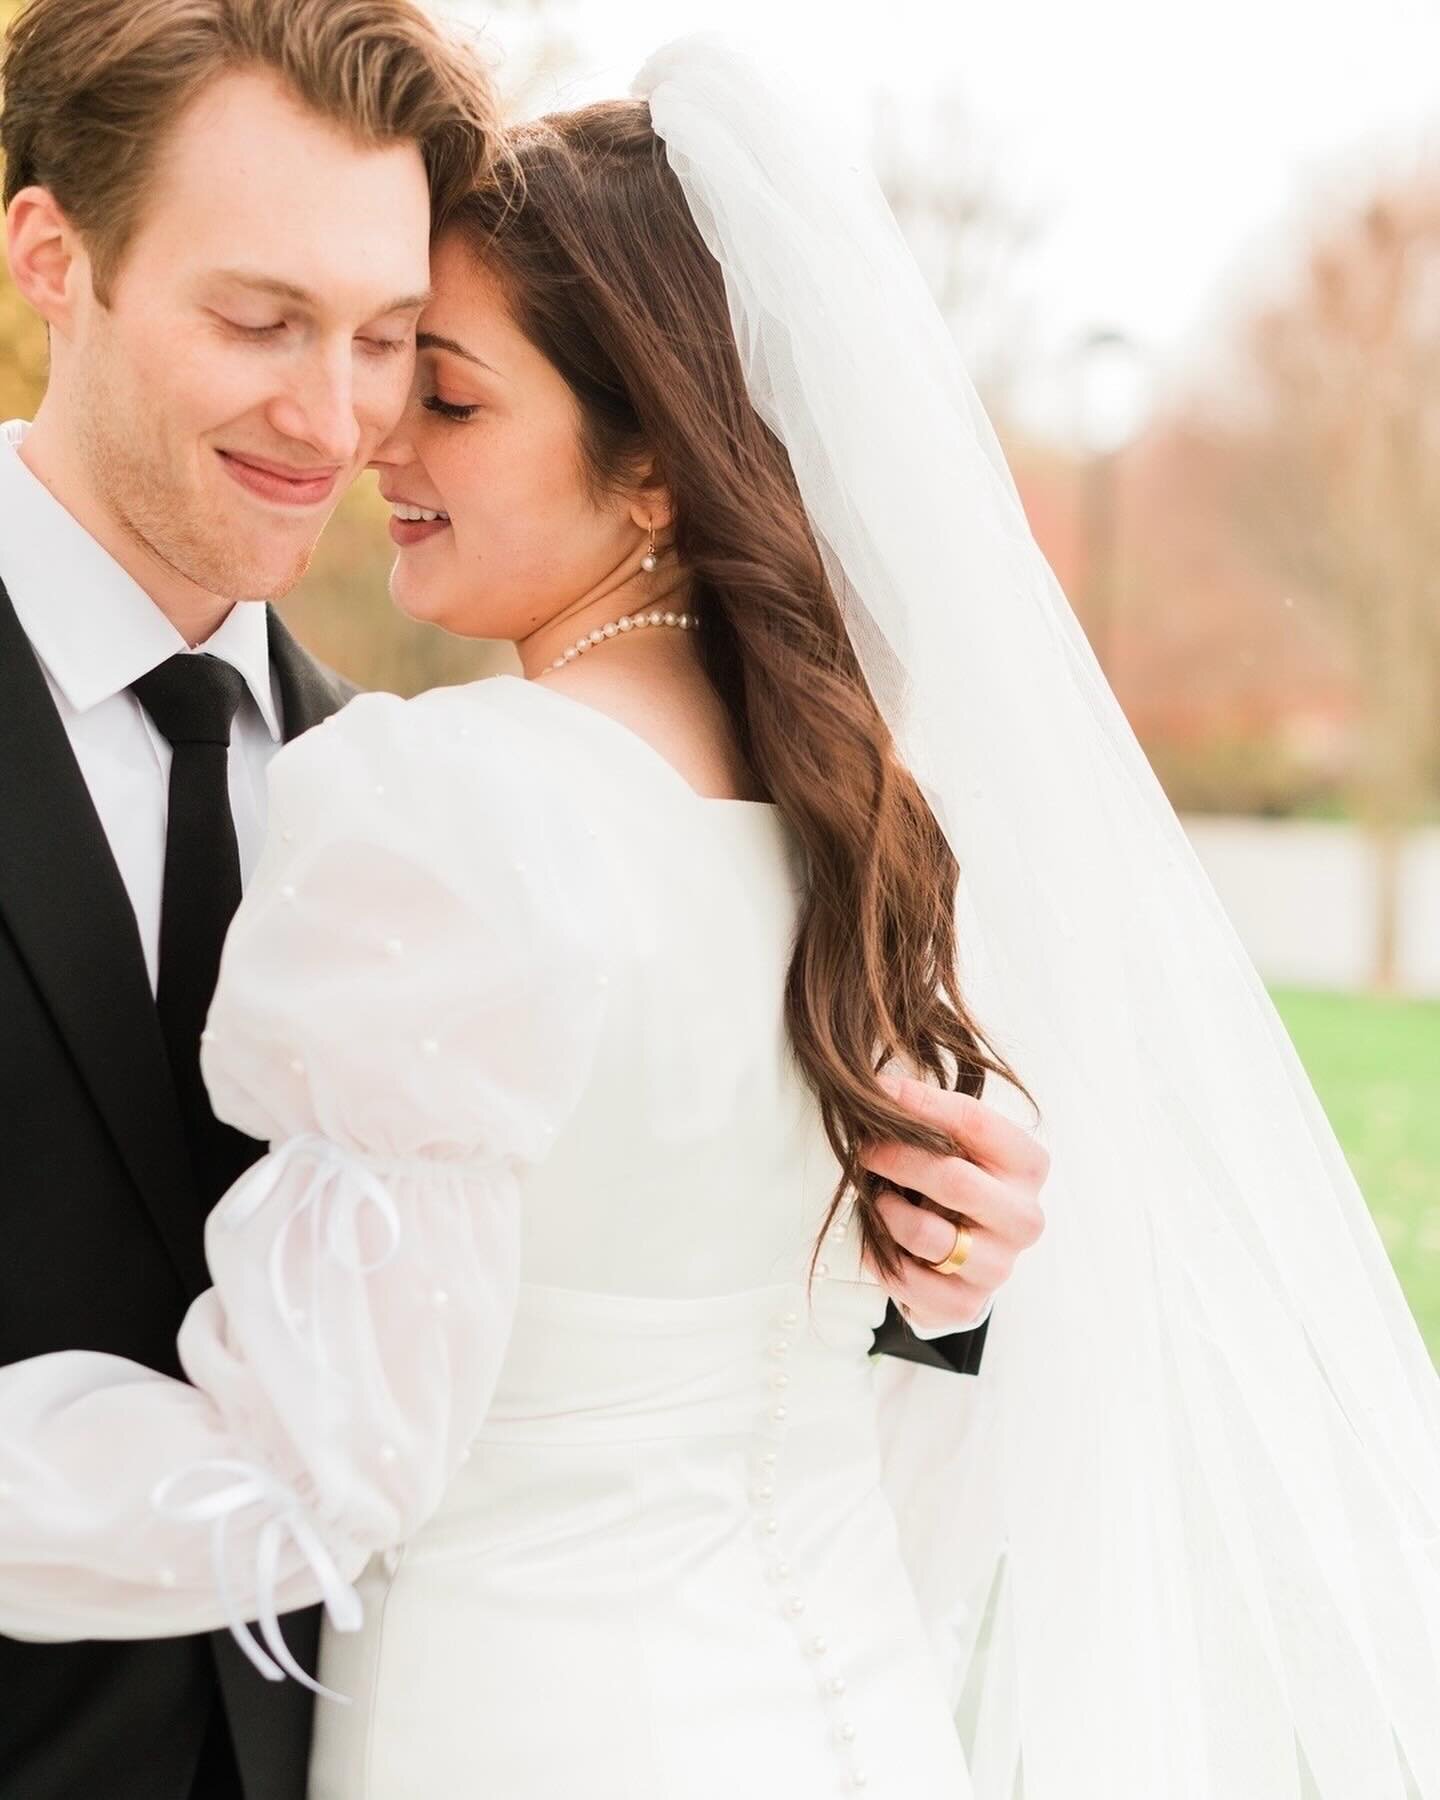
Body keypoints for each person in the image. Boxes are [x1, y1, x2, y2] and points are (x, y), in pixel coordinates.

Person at [5, 27, 1434, 1800]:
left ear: (653, 458)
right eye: (257, 319)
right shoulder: (803, 810)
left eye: (400, 353)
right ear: (50, 259)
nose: (346, 417)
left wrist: (933, 1264)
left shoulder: (400, 781)